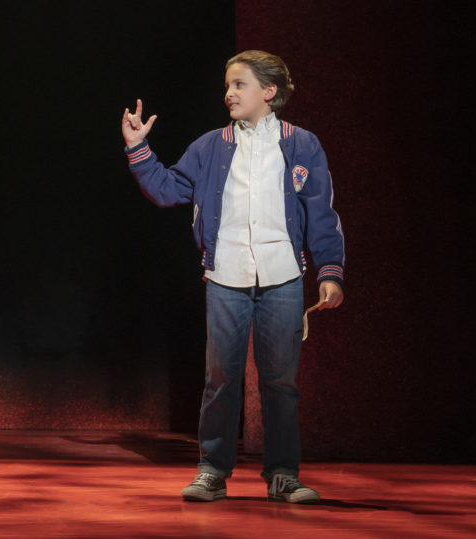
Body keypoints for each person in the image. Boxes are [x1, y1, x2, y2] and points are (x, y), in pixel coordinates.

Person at [121, 50, 344, 504]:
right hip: (226, 277)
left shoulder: (302, 144)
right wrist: (137, 149)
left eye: (239, 84)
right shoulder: (211, 146)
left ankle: (283, 474)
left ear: (269, 92)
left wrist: (330, 271)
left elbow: (320, 212)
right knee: (220, 378)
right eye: (227, 85)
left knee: (280, 381)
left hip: (282, 277)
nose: (229, 93)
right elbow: (167, 189)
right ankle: (212, 470)